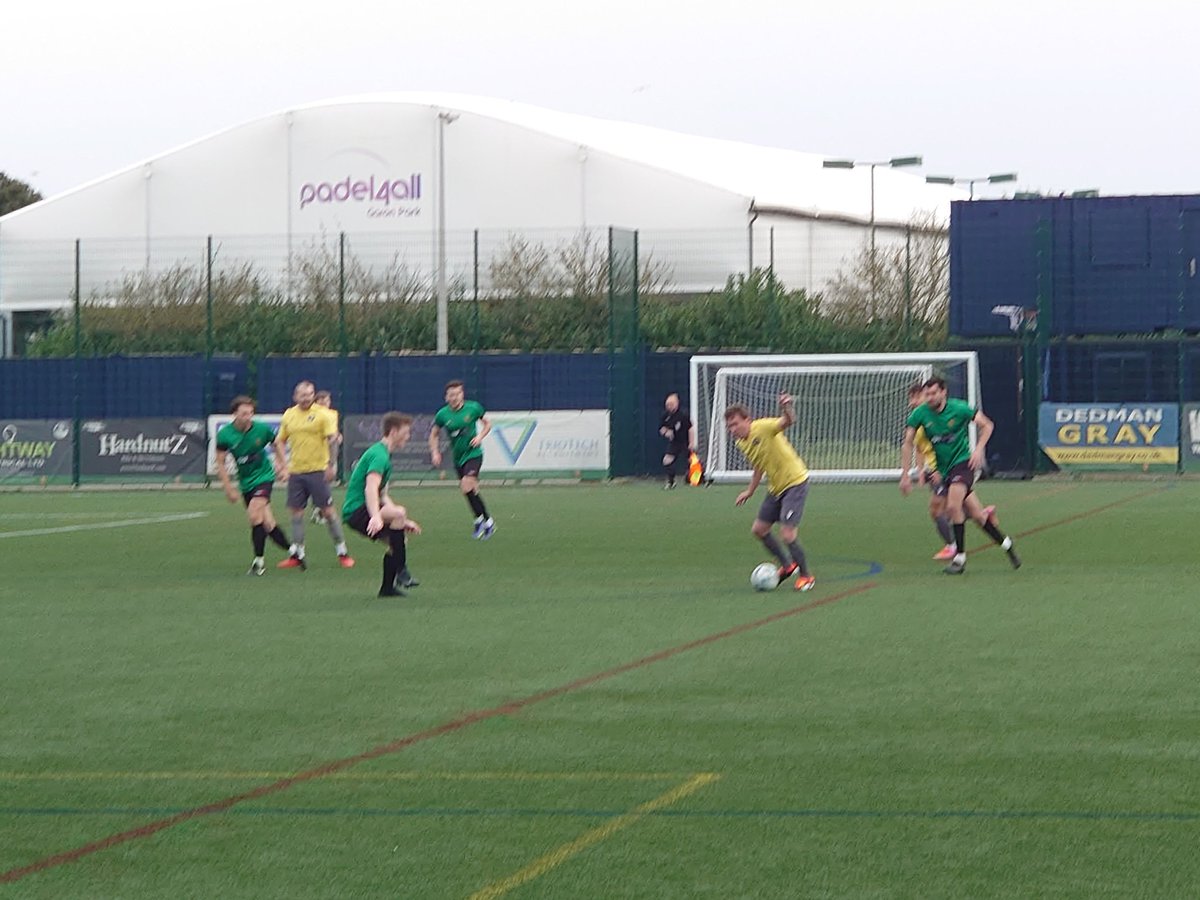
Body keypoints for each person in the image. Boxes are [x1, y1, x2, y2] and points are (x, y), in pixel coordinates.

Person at [900, 376, 1021, 575]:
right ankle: (1008, 546)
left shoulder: (960, 408)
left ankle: (959, 558)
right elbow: (908, 444)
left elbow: (987, 425)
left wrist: (979, 449)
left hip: (963, 464)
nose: (929, 398)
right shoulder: (920, 414)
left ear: (943, 392)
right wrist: (905, 475)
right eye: (927, 394)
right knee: (978, 517)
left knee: (953, 506)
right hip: (944, 470)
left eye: (933, 393)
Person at [725, 393, 815, 591]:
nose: (733, 429)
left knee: (787, 533)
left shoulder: (764, 427)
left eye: (736, 424)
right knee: (759, 529)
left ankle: (807, 576)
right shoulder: (741, 442)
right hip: (776, 488)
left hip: (795, 482)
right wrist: (750, 491)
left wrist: (787, 407)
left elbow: (789, 420)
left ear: (747, 420)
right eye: (729, 426)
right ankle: (788, 565)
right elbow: (758, 466)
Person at [904, 382, 997, 560]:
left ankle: (953, 547)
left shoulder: (937, 415)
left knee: (940, 510)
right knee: (956, 508)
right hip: (937, 470)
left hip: (949, 469)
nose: (912, 402)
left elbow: (985, 425)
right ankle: (983, 516)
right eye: (911, 399)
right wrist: (920, 469)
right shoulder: (920, 419)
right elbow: (918, 447)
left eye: (916, 397)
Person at [275, 380, 354, 569]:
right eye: (303, 395)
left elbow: (332, 440)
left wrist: (331, 465)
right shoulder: (289, 415)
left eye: (310, 394)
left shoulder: (323, 415)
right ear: (295, 396)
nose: (306, 398)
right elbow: (280, 441)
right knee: (296, 513)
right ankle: (298, 555)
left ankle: (342, 552)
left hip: (317, 471)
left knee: (328, 512)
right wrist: (283, 466)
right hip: (296, 472)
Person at [343, 412, 423, 597]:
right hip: (357, 510)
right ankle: (402, 571)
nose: (408, 436)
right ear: (394, 431)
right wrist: (376, 516)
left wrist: (403, 520)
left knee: (399, 540)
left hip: (364, 509)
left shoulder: (383, 454)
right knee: (399, 513)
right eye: (406, 432)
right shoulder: (379, 455)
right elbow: (370, 488)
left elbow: (382, 494)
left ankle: (387, 589)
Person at [214, 395, 294, 575]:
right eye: (243, 413)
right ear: (234, 414)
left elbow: (277, 444)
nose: (248, 417)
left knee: (253, 513)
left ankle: (258, 563)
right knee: (268, 524)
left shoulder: (261, 429)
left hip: (264, 477)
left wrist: (283, 467)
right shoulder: (225, 434)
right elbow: (219, 462)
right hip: (245, 482)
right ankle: (294, 551)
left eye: (250, 413)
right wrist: (228, 488)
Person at [429, 380, 495, 539]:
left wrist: (479, 436)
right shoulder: (442, 414)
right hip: (458, 458)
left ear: (462, 394)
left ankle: (489, 521)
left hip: (473, 454)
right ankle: (480, 519)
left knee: (467, 485)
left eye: (458, 393)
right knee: (470, 490)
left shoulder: (473, 408)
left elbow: (487, 424)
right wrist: (435, 452)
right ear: (446, 397)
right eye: (452, 395)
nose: (455, 397)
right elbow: (434, 434)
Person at [310, 390, 344, 524]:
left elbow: (333, 431)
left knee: (327, 481)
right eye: (321, 401)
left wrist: (338, 435)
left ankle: (320, 509)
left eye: (327, 401)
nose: (325, 403)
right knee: (320, 482)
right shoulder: (313, 416)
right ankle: (319, 509)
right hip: (319, 454)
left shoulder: (332, 415)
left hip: (332, 453)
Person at [659, 392, 696, 489]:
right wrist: (666, 432)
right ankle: (671, 482)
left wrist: (691, 442)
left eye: (671, 404)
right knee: (666, 461)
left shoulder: (683, 415)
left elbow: (690, 429)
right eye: (667, 405)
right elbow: (662, 428)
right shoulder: (665, 415)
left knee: (693, 460)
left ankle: (702, 479)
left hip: (685, 441)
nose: (669, 407)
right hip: (675, 442)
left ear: (676, 404)